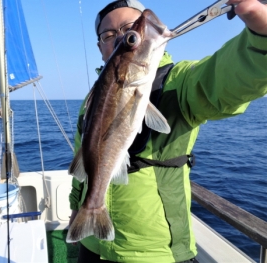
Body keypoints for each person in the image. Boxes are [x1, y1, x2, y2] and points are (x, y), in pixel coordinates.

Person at [68, 0, 267, 262]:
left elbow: (227, 79)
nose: (119, 38)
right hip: (92, 247)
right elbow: (83, 165)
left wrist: (261, 33)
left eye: (129, 31)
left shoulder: (179, 84)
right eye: (108, 35)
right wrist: (76, 207)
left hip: (155, 252)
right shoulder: (90, 102)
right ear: (100, 47)